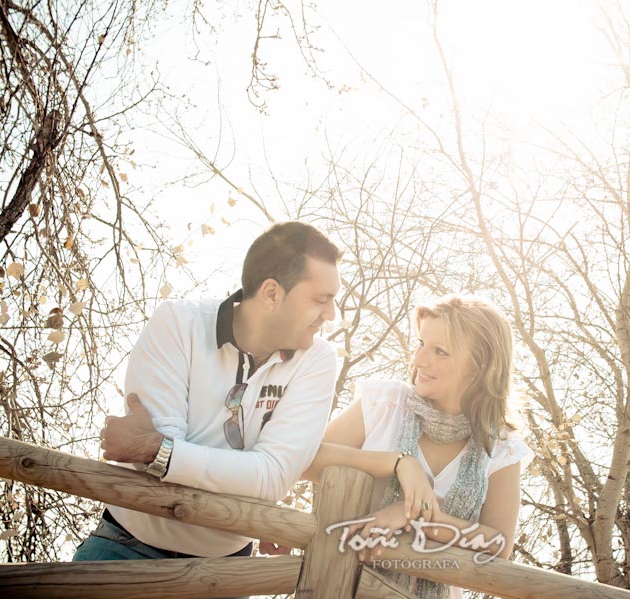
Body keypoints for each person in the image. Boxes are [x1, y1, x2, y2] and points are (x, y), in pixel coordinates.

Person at [73, 221, 342, 563]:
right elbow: (162, 479)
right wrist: (242, 475)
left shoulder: (317, 360)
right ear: (272, 293)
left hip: (224, 568)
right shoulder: (178, 323)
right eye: (321, 300)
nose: (331, 315)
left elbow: (273, 477)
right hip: (126, 545)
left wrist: (157, 450)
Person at [304, 295, 534, 599]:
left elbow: (498, 545)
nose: (420, 360)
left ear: (480, 365)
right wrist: (399, 463)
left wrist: (417, 516)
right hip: (338, 587)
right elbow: (306, 460)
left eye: (440, 351)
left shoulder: (501, 446)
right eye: (421, 344)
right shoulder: (385, 404)